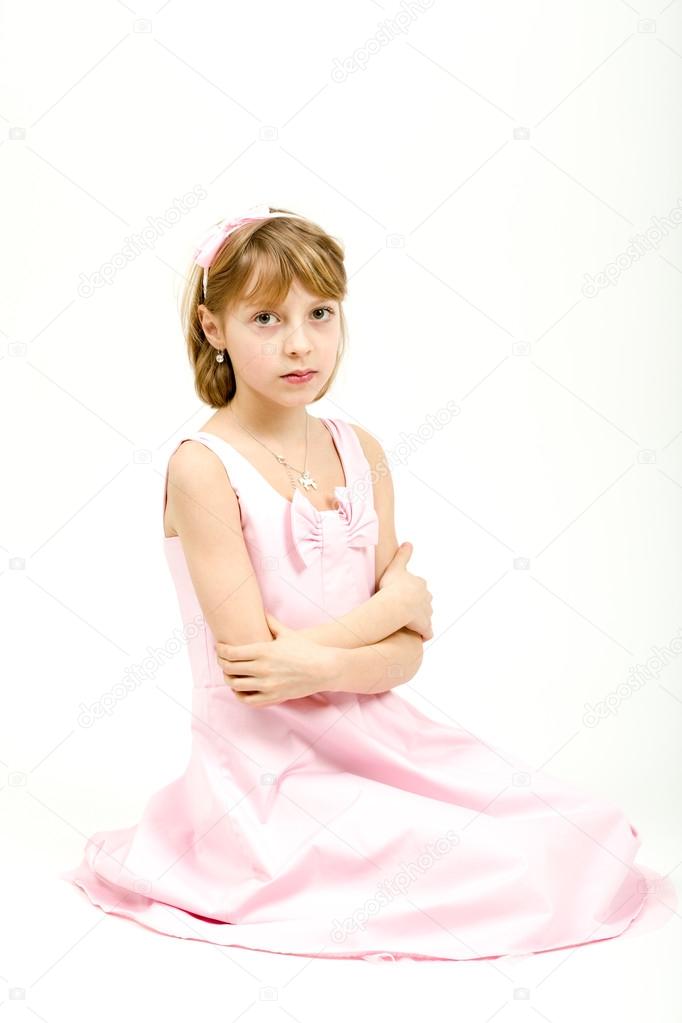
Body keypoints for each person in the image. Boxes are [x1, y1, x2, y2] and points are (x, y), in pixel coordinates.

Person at [60, 203, 664, 962]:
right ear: (215, 329)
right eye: (266, 319)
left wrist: (347, 644)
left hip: (385, 737)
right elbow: (258, 672)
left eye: (320, 312)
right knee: (495, 865)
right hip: (269, 771)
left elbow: (405, 655)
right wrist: (388, 608)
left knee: (584, 829)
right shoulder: (203, 467)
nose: (302, 342)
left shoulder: (362, 449)